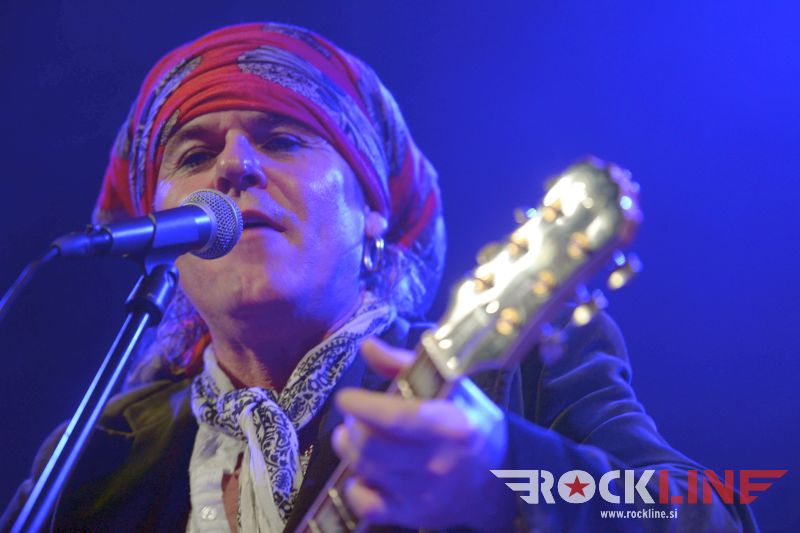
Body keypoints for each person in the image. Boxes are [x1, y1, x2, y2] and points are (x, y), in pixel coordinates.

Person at [1, 22, 757, 532]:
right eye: (194, 155)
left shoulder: (520, 371)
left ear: (372, 210)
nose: (234, 166)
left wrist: (501, 475)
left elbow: (709, 514)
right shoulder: (95, 457)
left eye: (282, 137)